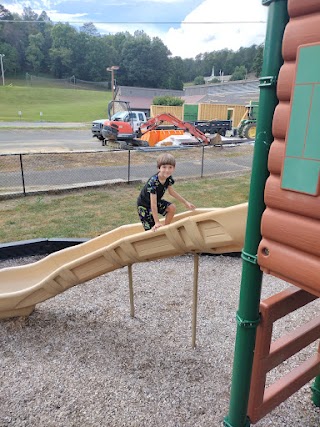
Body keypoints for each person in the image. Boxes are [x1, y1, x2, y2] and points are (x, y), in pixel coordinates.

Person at [137, 153, 196, 231]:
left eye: (170, 167)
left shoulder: (168, 178)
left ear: (174, 168)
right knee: (152, 230)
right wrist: (157, 222)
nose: (167, 170)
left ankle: (166, 228)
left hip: (155, 202)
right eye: (164, 167)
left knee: (171, 208)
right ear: (159, 168)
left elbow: (172, 192)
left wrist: (186, 202)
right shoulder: (153, 182)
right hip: (144, 206)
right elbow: (153, 204)